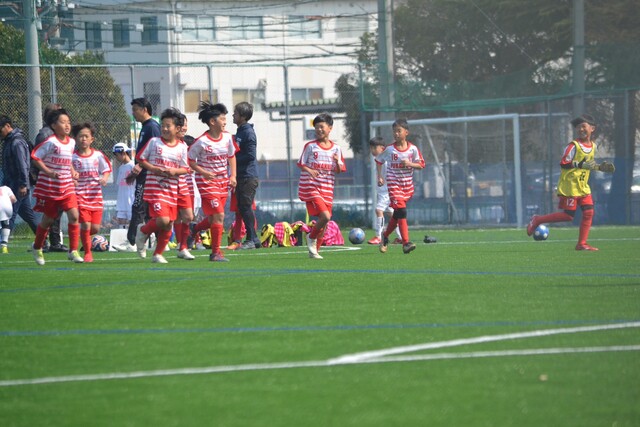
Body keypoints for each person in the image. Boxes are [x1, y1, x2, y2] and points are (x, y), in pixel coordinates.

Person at [526, 114, 615, 251]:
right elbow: (564, 163)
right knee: (568, 216)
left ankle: (582, 244)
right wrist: (581, 164)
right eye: (578, 127)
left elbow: (588, 165)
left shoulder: (593, 147)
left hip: (583, 186)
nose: (581, 129)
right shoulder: (573, 146)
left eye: (583, 126)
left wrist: (599, 167)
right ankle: (537, 219)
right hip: (570, 186)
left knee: (589, 212)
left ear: (592, 128)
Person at [134, 107, 190, 263]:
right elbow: (140, 158)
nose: (164, 129)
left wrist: (174, 171)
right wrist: (153, 169)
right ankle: (143, 231)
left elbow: (185, 168)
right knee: (163, 220)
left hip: (171, 190)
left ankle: (157, 254)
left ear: (177, 128)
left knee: (168, 224)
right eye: (163, 125)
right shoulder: (154, 142)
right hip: (155, 189)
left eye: (168, 126)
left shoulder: (182, 147)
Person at [30, 108, 83, 265]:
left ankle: (73, 251)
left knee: (74, 216)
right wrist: (49, 172)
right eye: (63, 122)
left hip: (67, 186)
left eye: (68, 122)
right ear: (53, 125)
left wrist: (72, 172)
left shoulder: (72, 142)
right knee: (48, 220)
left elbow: (68, 161)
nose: (67, 125)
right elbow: (35, 158)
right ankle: (37, 247)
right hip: (50, 188)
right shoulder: (50, 142)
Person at [188, 102, 237, 262]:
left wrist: (233, 176)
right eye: (222, 119)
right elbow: (190, 160)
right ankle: (215, 253)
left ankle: (194, 228)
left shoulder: (228, 137)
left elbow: (231, 156)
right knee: (219, 215)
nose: (225, 122)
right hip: (206, 182)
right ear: (212, 122)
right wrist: (204, 172)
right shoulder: (201, 141)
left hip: (223, 182)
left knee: (213, 219)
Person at [297, 113, 346, 259]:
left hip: (327, 189)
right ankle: (311, 237)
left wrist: (337, 162)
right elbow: (301, 163)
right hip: (311, 186)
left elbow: (339, 170)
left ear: (330, 128)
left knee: (324, 223)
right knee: (325, 216)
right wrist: (310, 170)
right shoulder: (310, 146)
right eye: (316, 127)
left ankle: (314, 251)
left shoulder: (336, 148)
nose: (319, 130)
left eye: (321, 127)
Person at [116, 98, 161, 252]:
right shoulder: (146, 127)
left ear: (144, 110)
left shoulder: (152, 127)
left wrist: (141, 165)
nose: (133, 113)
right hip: (143, 175)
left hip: (148, 176)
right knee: (146, 210)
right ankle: (157, 240)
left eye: (135, 109)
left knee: (138, 207)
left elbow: (156, 151)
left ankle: (132, 242)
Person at [376, 118, 425, 254]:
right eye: (394, 131)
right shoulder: (390, 149)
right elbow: (379, 160)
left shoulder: (413, 149)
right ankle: (406, 243)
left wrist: (410, 164)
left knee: (398, 214)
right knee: (402, 211)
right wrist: (380, 176)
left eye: (399, 131)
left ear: (406, 132)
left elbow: (421, 165)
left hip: (407, 186)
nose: (396, 134)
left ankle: (385, 236)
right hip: (394, 185)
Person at [72, 122, 112, 262]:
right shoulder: (72, 157)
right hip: (80, 195)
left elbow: (106, 169)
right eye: (80, 136)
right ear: (75, 139)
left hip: (95, 196)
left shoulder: (98, 155)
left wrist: (104, 178)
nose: (83, 139)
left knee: (94, 228)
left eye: (86, 136)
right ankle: (88, 253)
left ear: (91, 139)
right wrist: (72, 179)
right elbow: (66, 171)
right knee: (86, 224)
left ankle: (80, 237)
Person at [0, 115, 39, 245]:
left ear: (7, 126)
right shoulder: (8, 141)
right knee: (27, 214)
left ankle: (3, 242)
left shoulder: (16, 142)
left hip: (17, 184)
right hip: (11, 183)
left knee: (9, 212)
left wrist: (23, 184)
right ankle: (43, 240)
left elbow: (23, 165)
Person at [35, 103, 67, 252]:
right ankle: (47, 242)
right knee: (50, 212)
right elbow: (38, 158)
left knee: (56, 212)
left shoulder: (58, 135)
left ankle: (52, 242)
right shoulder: (46, 135)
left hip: (59, 180)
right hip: (49, 181)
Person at [232, 101, 261, 250]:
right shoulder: (240, 131)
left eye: (236, 113)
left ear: (243, 116)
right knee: (243, 207)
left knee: (245, 207)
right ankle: (253, 239)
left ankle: (252, 239)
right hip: (242, 175)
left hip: (248, 176)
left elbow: (250, 155)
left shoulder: (248, 132)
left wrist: (232, 159)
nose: (233, 115)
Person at [367, 136, 402, 245]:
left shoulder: (385, 162)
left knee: (379, 210)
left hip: (387, 192)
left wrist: (383, 180)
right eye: (371, 148)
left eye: (374, 148)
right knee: (392, 215)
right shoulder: (378, 161)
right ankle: (401, 237)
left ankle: (378, 236)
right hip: (384, 192)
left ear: (382, 149)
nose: (372, 150)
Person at [172, 114, 195, 260]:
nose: (184, 128)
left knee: (188, 216)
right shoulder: (168, 144)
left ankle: (183, 245)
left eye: (185, 125)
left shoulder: (185, 145)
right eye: (181, 125)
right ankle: (144, 231)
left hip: (187, 184)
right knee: (172, 218)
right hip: (172, 185)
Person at [112, 142, 135, 229]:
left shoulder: (133, 165)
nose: (116, 158)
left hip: (131, 198)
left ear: (124, 153)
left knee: (132, 220)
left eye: (117, 155)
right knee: (121, 220)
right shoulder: (121, 167)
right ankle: (122, 235)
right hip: (122, 199)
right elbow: (120, 184)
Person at [0, 185, 17, 253]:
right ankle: (4, 246)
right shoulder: (6, 188)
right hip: (7, 207)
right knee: (5, 223)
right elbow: (14, 199)